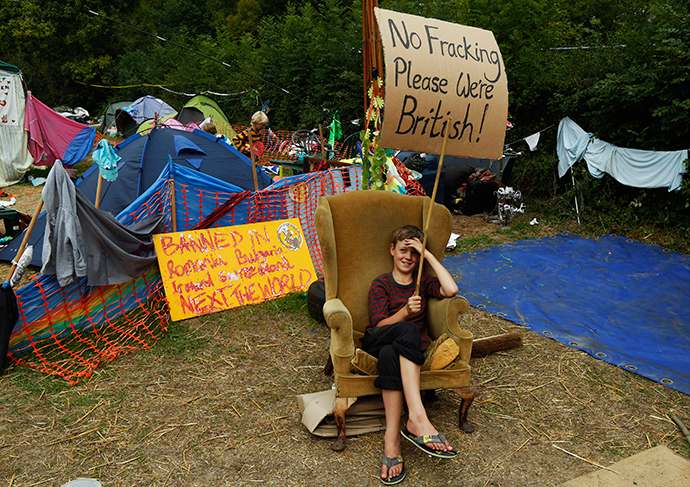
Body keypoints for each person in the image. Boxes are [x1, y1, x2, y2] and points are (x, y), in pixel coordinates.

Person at [362, 225, 459, 485]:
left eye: (414, 253)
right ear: (392, 250)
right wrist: (405, 311)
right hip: (378, 337)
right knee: (403, 331)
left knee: (388, 355)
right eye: (403, 250)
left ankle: (391, 442)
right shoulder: (381, 284)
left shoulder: (423, 282)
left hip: (404, 351)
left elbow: (451, 290)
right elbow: (379, 326)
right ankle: (418, 417)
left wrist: (427, 256)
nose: (408, 257)